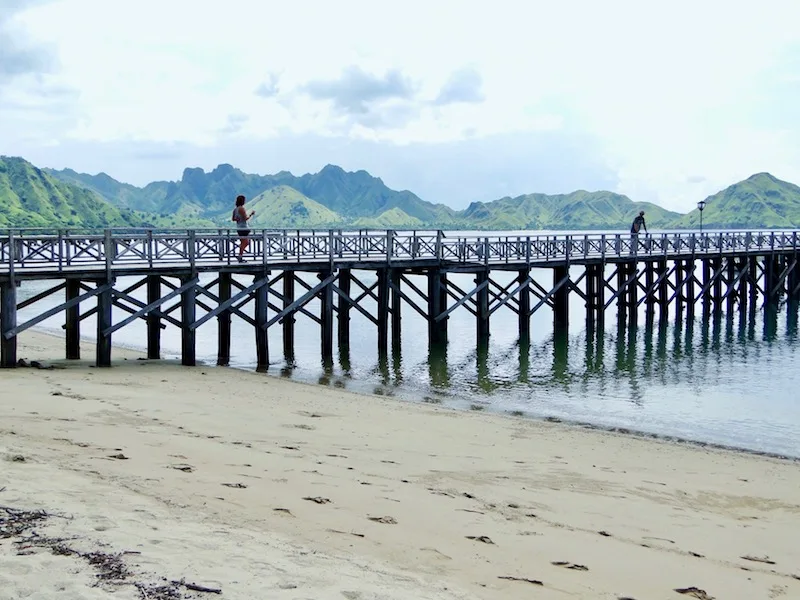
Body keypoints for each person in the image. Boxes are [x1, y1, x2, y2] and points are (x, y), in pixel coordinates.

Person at [231, 195, 255, 262]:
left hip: (239, 228)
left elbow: (233, 219)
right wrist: (251, 214)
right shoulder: (241, 208)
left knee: (244, 242)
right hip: (244, 228)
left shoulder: (235, 209)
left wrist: (237, 219)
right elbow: (245, 218)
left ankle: (240, 256)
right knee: (246, 243)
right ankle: (240, 256)